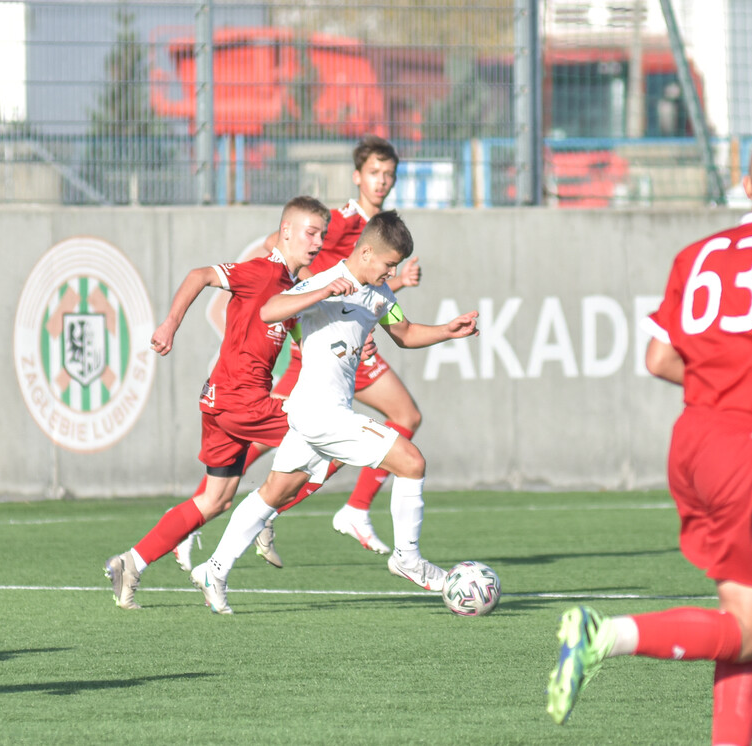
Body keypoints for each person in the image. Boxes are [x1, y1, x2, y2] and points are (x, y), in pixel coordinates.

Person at [545, 129, 752, 745]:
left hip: (692, 442)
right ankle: (605, 634)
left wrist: (720, 376)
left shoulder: (698, 253)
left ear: (744, 185)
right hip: (749, 449)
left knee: (744, 626)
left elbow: (659, 358)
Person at [189, 210, 479, 614]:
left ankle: (213, 569)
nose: (391, 272)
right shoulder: (324, 282)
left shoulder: (381, 294)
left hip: (321, 415)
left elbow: (406, 333)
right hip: (320, 414)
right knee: (411, 462)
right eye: (388, 264)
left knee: (275, 492)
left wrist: (448, 330)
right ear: (365, 252)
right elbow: (270, 310)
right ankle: (407, 559)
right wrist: (322, 294)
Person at [174, 135, 424, 569]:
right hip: (322, 334)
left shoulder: (381, 227)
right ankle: (210, 517)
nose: (382, 182)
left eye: (389, 175)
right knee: (286, 439)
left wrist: (392, 286)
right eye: (374, 173)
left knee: (402, 419)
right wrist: (315, 290)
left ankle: (351, 510)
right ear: (357, 177)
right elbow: (283, 242)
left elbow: (372, 290)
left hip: (350, 338)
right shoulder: (348, 219)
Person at [103, 196, 330, 610]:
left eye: (322, 235)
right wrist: (170, 323)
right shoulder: (263, 271)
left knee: (216, 500)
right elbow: (199, 274)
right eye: (310, 233)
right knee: (335, 443)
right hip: (240, 401)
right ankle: (265, 519)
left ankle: (129, 562)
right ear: (285, 232)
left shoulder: (292, 289)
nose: (317, 243)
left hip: (224, 401)